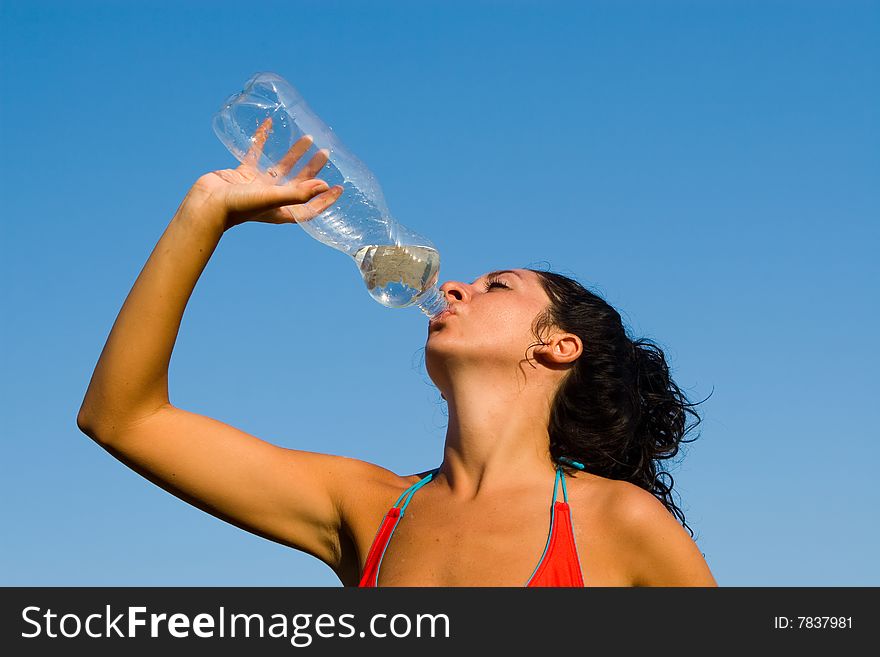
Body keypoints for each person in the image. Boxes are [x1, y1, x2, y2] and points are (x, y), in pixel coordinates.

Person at [77, 133, 718, 587]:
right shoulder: (364, 508)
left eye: (498, 286)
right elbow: (123, 418)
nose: (457, 286)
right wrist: (204, 213)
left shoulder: (621, 522)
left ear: (557, 346)